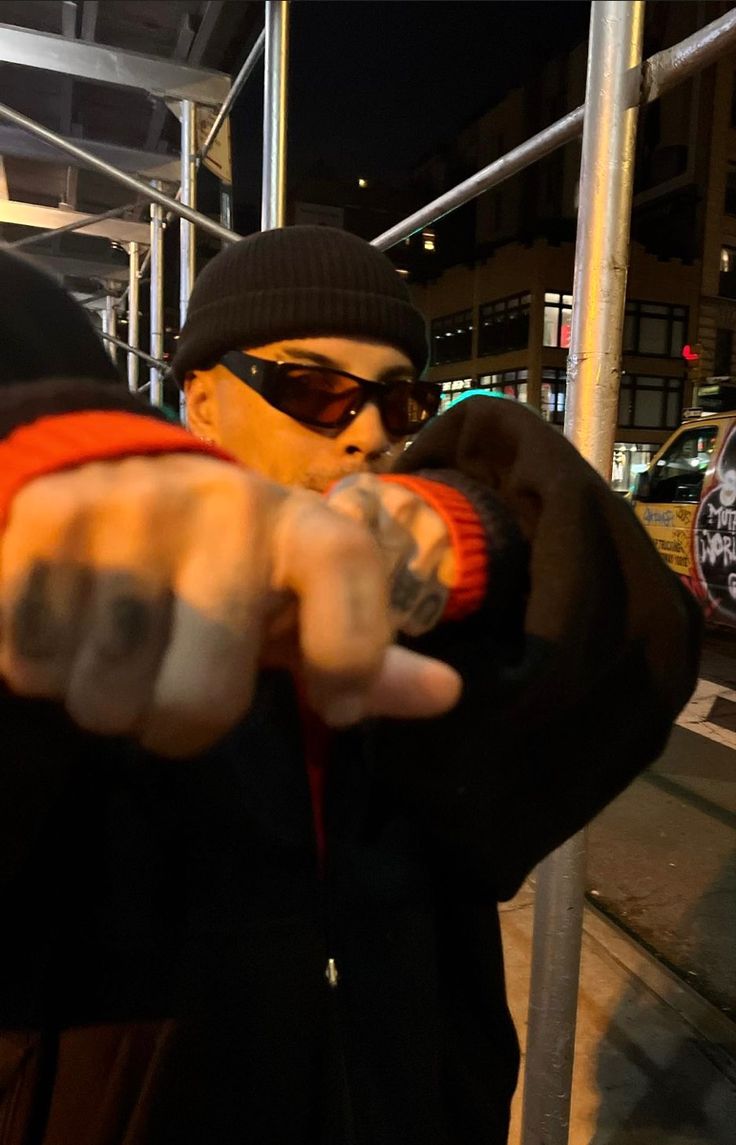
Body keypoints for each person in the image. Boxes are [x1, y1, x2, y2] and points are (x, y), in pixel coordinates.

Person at [0, 232, 700, 1145]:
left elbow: (636, 637)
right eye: (313, 388)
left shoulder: (417, 637)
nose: (367, 431)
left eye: (401, 399)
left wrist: (466, 526)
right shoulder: (104, 616)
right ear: (202, 399)